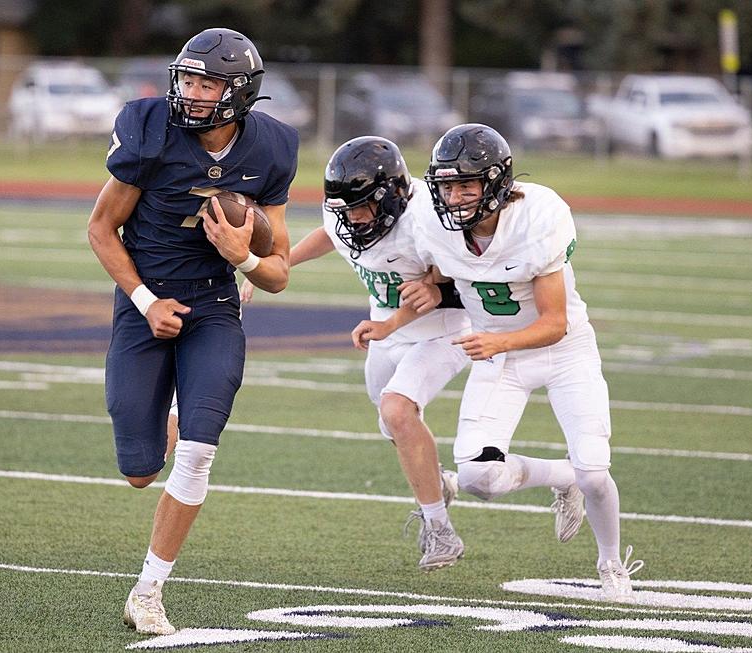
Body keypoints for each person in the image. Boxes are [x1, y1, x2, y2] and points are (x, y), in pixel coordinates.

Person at [352, 124, 641, 602]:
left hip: (560, 352)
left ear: (497, 183)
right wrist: (391, 322)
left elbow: (555, 324)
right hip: (499, 353)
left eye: (468, 184)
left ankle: (611, 562)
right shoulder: (434, 225)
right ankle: (561, 477)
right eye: (447, 185)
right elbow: (439, 281)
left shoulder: (537, 218)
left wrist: (497, 344)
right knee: (477, 478)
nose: (456, 196)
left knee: (595, 470)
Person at [86, 28, 298, 635]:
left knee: (199, 454)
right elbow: (101, 229)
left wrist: (244, 255)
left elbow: (279, 271)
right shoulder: (150, 129)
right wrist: (146, 301)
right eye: (188, 78)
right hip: (144, 302)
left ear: (238, 92)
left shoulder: (273, 147)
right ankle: (174, 413)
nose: (193, 92)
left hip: (213, 305)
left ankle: (148, 592)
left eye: (208, 82)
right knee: (139, 470)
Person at [240, 136, 470, 571]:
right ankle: (436, 484)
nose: (354, 219)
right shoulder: (347, 213)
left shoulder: (429, 220)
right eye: (347, 209)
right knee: (392, 423)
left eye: (362, 208)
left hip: (441, 331)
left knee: (399, 411)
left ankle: (440, 529)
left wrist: (399, 316)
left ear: (393, 196)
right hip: (386, 327)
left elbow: (447, 289)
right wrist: (276, 262)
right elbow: (330, 234)